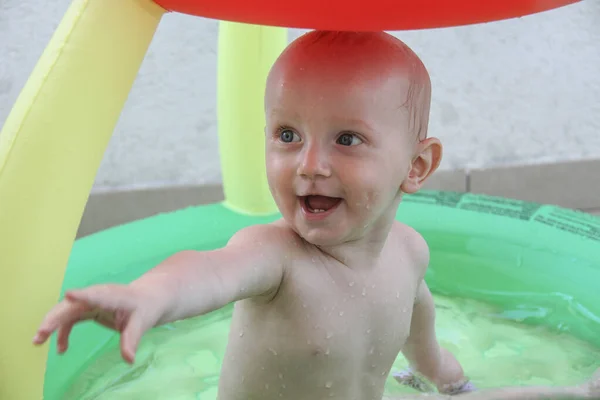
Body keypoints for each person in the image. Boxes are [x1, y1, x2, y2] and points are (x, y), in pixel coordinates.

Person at [33, 30, 599, 400]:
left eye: (347, 139)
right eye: (287, 134)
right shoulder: (275, 257)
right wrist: (149, 297)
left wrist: (452, 383)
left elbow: (424, 347)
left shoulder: (409, 254)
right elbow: (205, 271)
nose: (309, 165)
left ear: (417, 165)